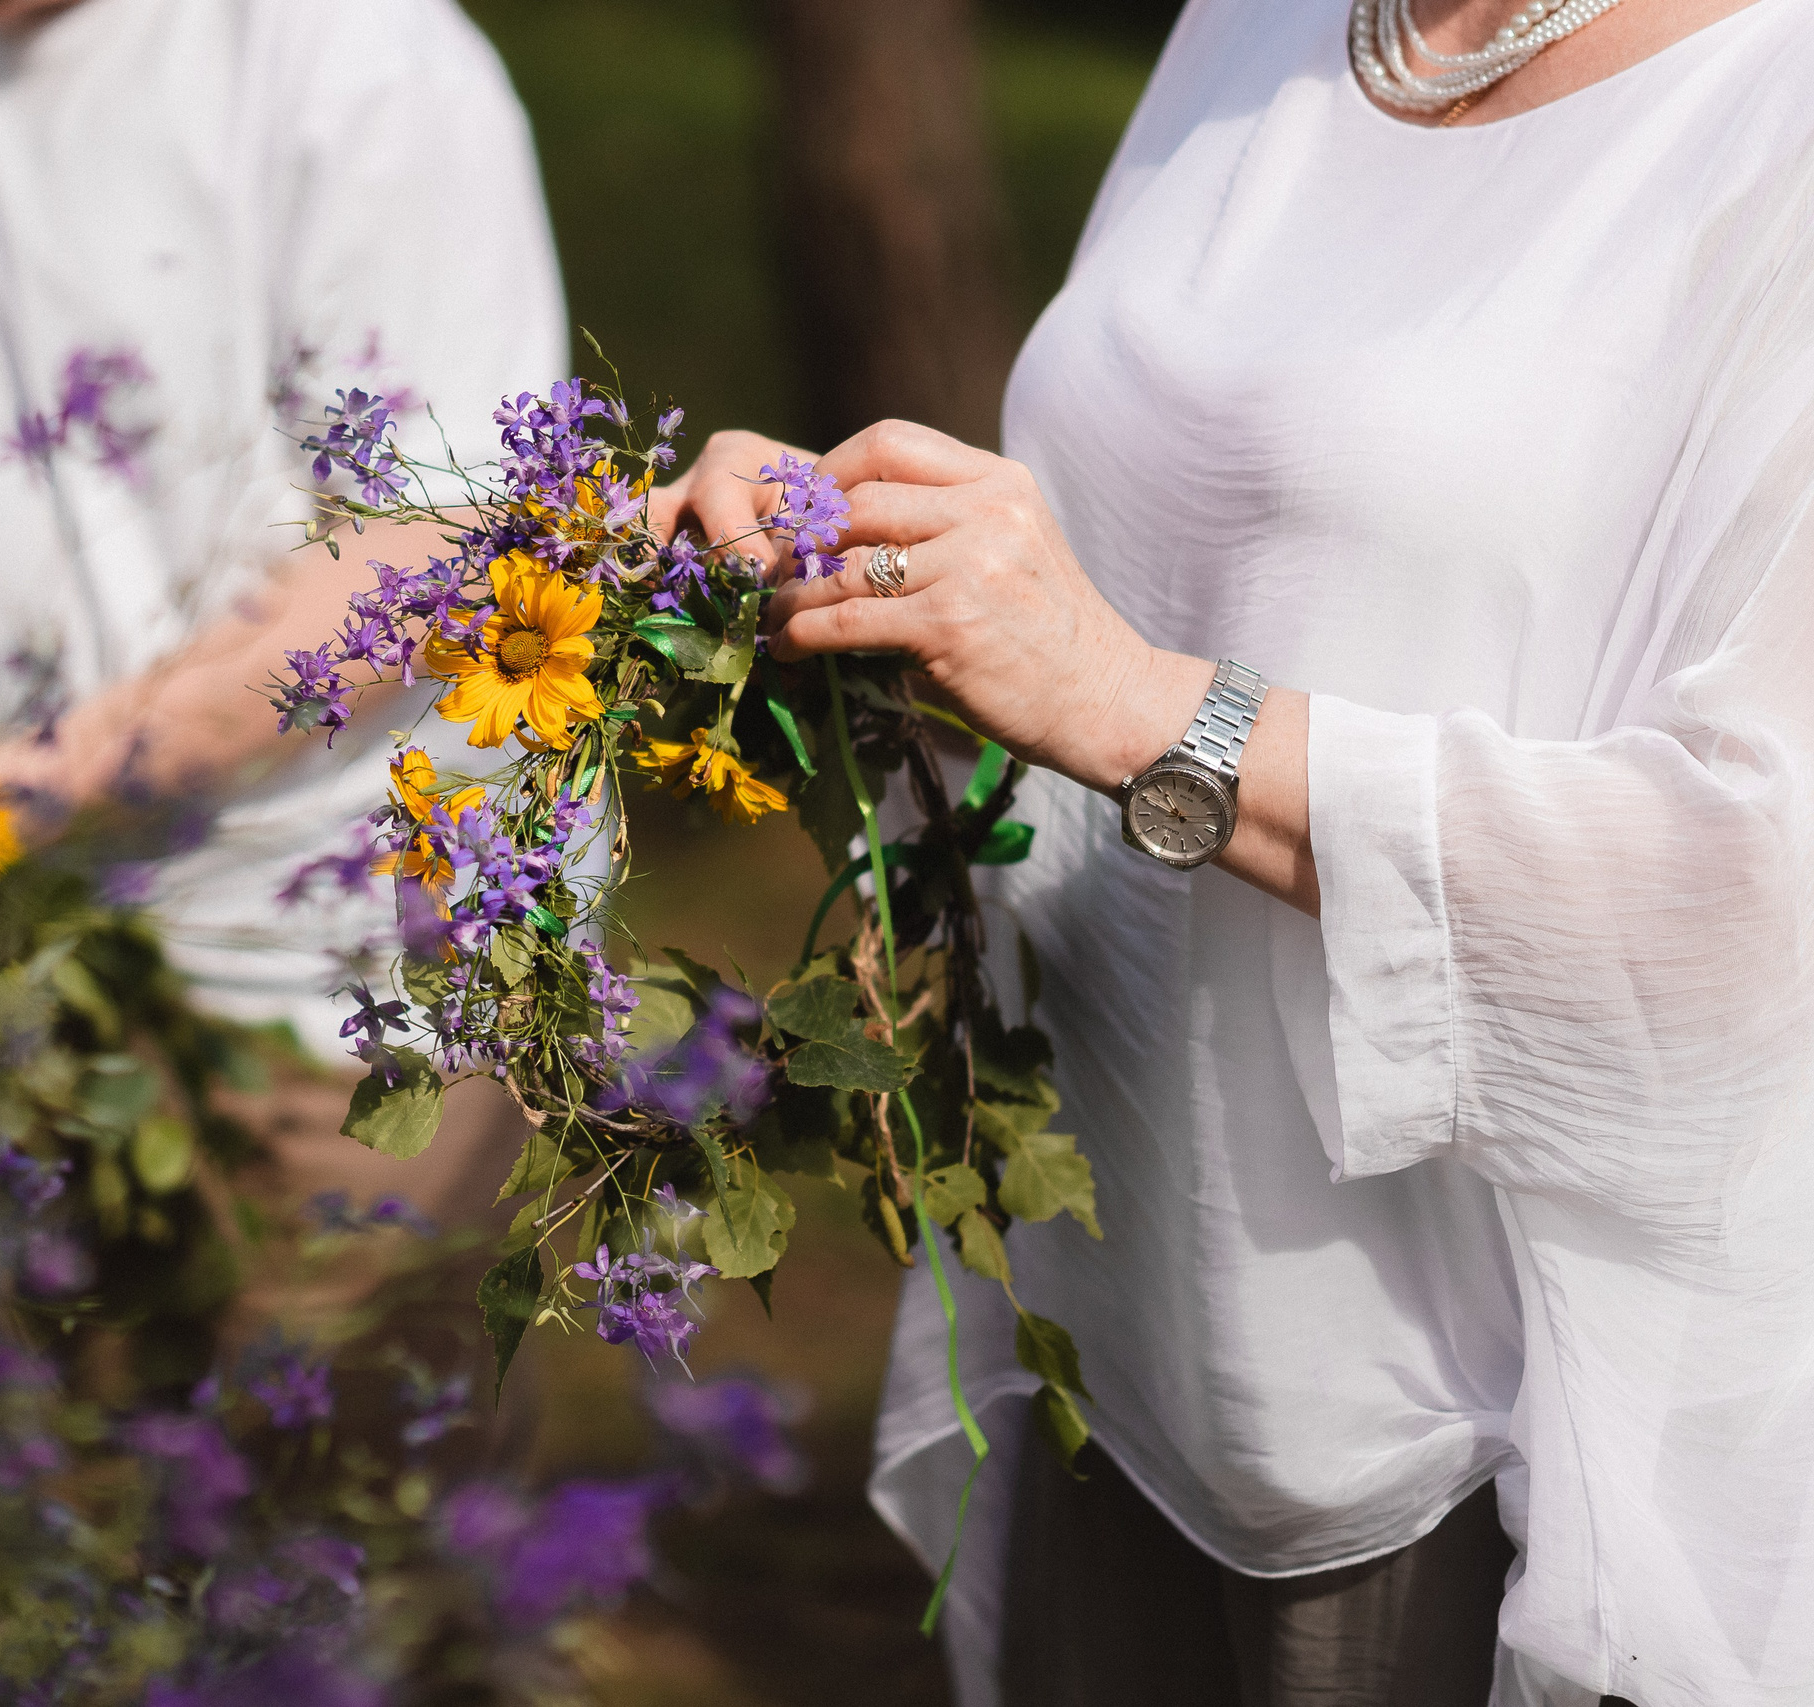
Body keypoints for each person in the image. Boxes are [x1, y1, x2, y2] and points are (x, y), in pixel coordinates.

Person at [659, 0, 1814, 1700]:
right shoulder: (1272, 30)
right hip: (1105, 1311)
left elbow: (1746, 910)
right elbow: (1148, 586)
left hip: (1465, 1442)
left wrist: (1130, 705)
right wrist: (870, 574)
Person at [0, 0, 565, 1288]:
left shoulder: (364, 54)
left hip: (344, 1016)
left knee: (333, 1472)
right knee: (3, 1479)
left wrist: (45, 783)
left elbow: (434, 544)